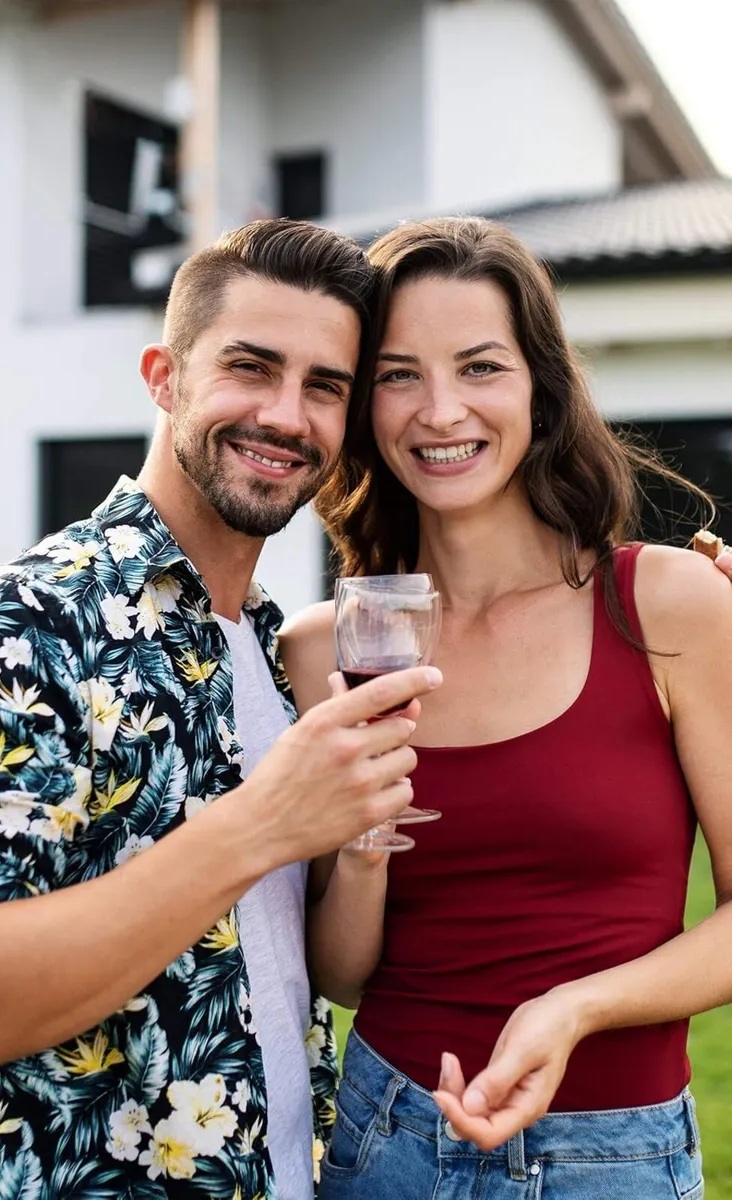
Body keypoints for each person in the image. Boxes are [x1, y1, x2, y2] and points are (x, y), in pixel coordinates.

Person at [0, 219, 444, 1199]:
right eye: (251, 367)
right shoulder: (26, 627)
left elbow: (291, 970)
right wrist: (261, 825)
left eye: (325, 387)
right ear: (163, 376)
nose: (285, 414)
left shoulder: (273, 650)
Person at [282, 215, 732, 1198]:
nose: (440, 411)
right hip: (384, 1141)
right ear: (364, 406)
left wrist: (575, 1008)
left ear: (541, 387)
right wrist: (362, 846)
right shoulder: (325, 649)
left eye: (480, 367)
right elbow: (345, 977)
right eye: (399, 374)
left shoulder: (668, 606)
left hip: (616, 1158)